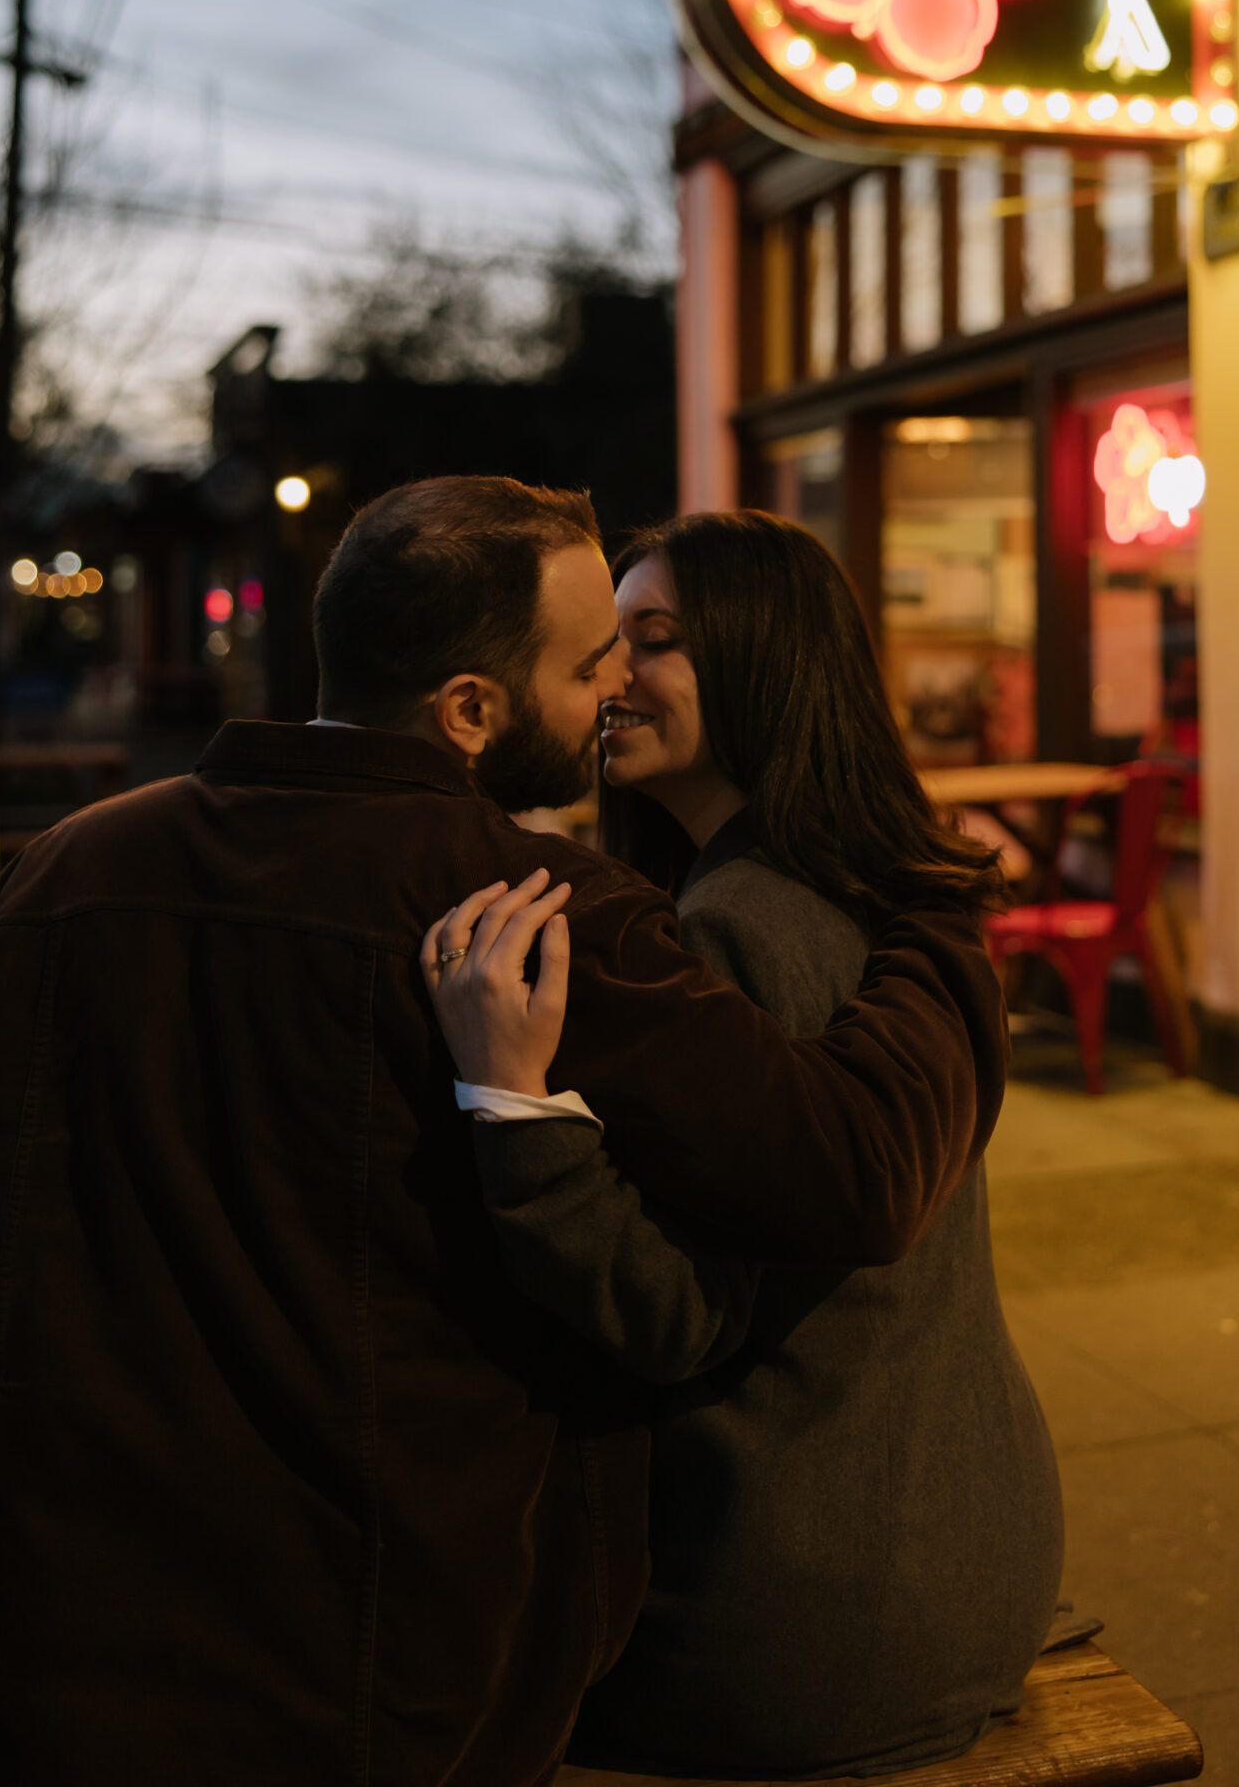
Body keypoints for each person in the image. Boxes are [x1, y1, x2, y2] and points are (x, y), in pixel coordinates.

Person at [0, 476, 1006, 1787]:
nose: (608, 696)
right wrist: (937, 912)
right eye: (589, 663)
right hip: (386, 1680)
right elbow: (847, 1174)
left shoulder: (58, 873)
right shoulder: (539, 919)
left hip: (28, 1646)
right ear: (470, 709)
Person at [428, 510, 1063, 1781]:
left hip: (805, 1617)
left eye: (652, 640)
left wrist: (510, 1101)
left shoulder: (738, 931)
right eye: (609, 645)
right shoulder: (871, 893)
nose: (612, 677)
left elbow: (670, 1312)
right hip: (976, 1556)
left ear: (769, 657)